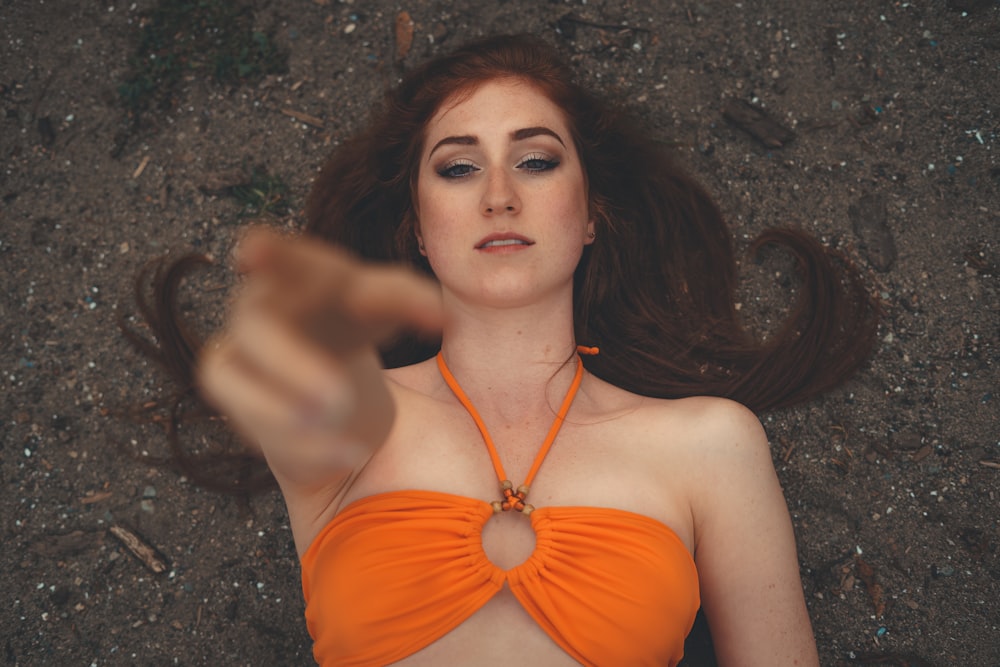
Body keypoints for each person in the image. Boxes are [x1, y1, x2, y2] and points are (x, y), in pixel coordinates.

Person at [132, 34, 878, 667]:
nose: (498, 195)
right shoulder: (350, 415)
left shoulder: (711, 445)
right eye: (458, 167)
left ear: (589, 216)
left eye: (536, 160)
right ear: (419, 230)